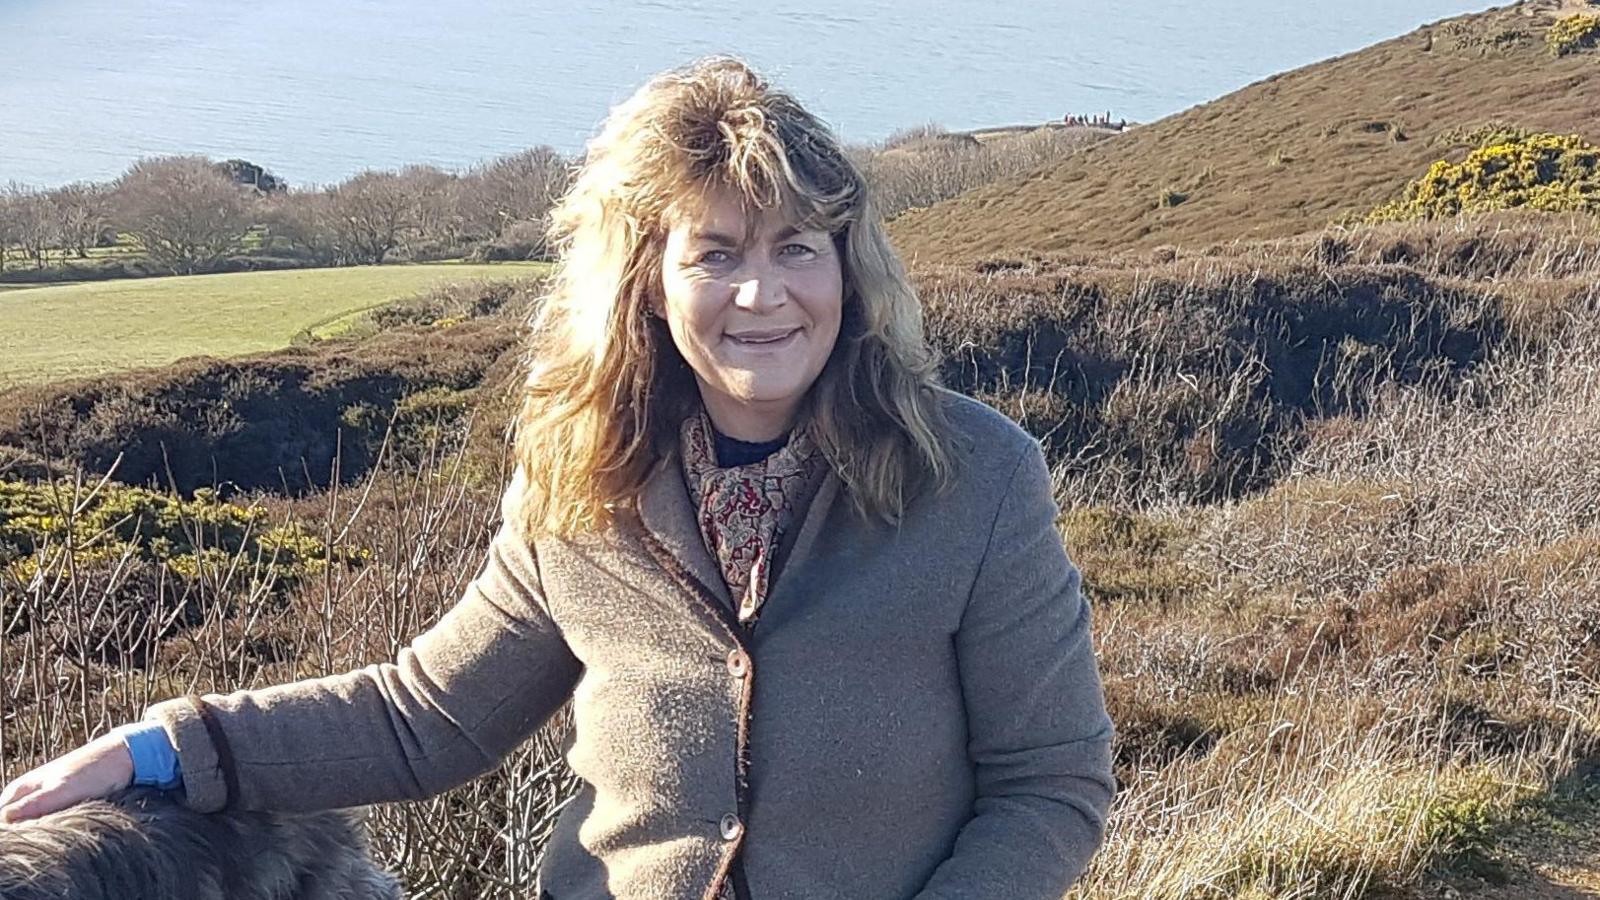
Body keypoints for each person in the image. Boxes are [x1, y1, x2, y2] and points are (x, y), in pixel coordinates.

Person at [0, 56, 1116, 899]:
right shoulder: (582, 482)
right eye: (714, 254)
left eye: (794, 249)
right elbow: (425, 718)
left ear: (847, 271)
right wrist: (157, 749)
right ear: (648, 283)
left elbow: (1049, 784)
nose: (761, 295)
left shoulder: (975, 477)